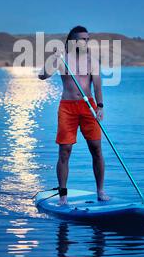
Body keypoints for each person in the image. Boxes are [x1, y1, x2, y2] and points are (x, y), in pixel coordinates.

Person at [38, 25, 110, 205]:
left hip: (88, 106)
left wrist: (100, 106)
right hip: (67, 108)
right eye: (81, 39)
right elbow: (43, 76)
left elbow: (97, 87)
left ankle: (100, 191)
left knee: (96, 149)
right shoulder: (63, 59)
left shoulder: (92, 61)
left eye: (87, 39)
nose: (85, 42)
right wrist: (53, 58)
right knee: (65, 151)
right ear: (73, 41)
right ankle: (63, 195)